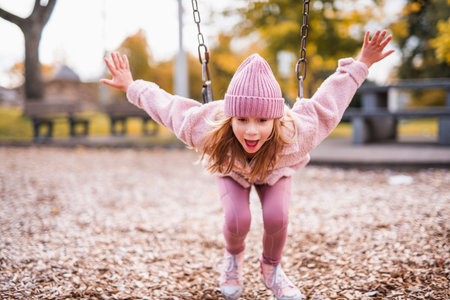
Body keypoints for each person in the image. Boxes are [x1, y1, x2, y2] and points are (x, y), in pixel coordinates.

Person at [101, 30, 394, 300]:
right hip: (232, 172)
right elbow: (167, 107)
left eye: (262, 121)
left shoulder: (295, 134)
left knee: (277, 216)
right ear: (230, 118)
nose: (251, 131)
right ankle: (233, 257)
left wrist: (362, 63)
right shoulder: (205, 128)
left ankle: (271, 268)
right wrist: (131, 86)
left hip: (275, 170)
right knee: (237, 220)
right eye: (242, 120)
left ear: (276, 119)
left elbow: (329, 103)